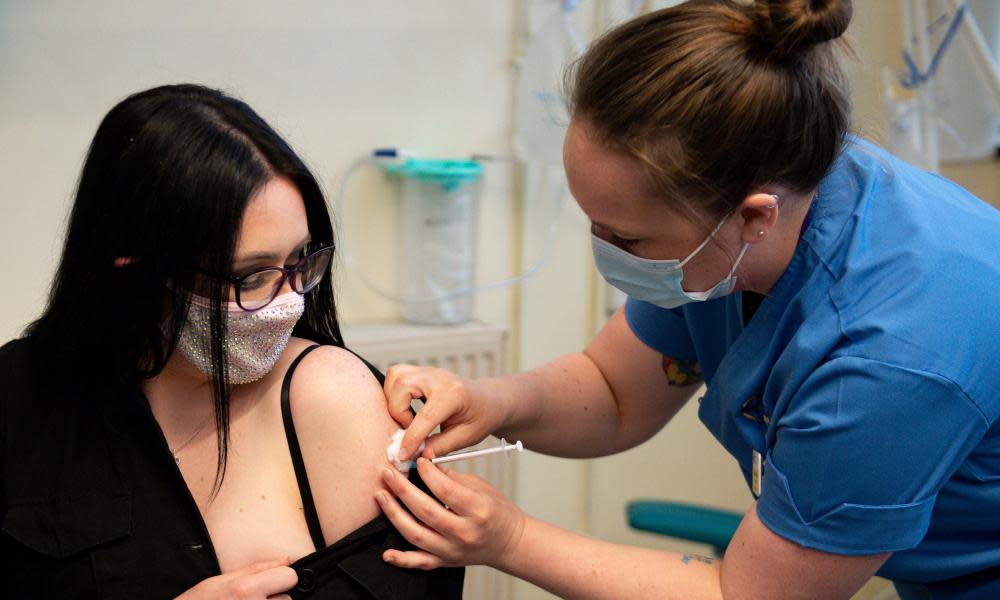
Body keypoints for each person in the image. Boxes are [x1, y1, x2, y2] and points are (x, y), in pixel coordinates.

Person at [373, 1, 1000, 598]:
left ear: (754, 216)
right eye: (593, 222)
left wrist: (510, 540)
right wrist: (490, 401)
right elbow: (613, 393)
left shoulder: (888, 358)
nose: (606, 251)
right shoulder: (746, 206)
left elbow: (745, 596)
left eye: (625, 237)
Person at [0, 84, 463, 599]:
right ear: (135, 277)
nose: (291, 301)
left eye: (301, 260)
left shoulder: (329, 395)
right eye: (249, 277)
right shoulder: (21, 403)